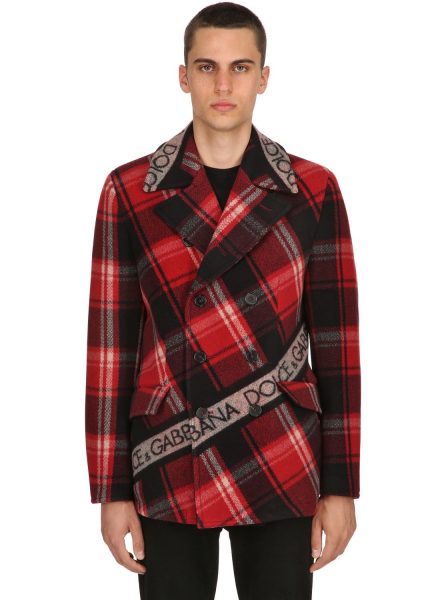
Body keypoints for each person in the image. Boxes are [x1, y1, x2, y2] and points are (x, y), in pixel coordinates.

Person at [84, 3, 361, 599]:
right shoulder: (130, 190)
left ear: (264, 77)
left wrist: (341, 485)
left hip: (281, 449)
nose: (224, 85)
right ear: (183, 76)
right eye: (207, 67)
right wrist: (109, 489)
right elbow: (110, 349)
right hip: (167, 453)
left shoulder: (311, 188)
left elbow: (339, 347)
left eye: (241, 67)